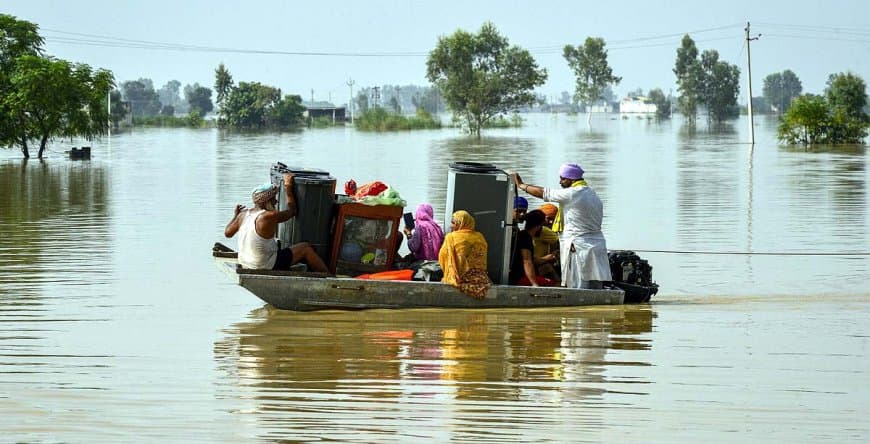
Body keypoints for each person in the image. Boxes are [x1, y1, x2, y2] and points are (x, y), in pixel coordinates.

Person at [513, 163, 612, 289]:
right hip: (596, 246)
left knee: (578, 288)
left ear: (571, 179)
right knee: (596, 288)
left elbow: (544, 193)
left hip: (579, 247)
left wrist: (522, 185)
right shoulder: (593, 195)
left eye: (562, 179)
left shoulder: (573, 193)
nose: (560, 182)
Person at [224, 173, 329, 273]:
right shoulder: (268, 216)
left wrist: (236, 215)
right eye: (274, 199)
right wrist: (288, 186)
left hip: (245, 262)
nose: (276, 202)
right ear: (267, 201)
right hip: (263, 265)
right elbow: (292, 211)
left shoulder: (243, 214)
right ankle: (327, 276)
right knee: (306, 248)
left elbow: (227, 233)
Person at [438, 210, 490, 298]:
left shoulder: (451, 237)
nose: (451, 226)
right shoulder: (480, 237)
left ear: (460, 223)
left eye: (453, 223)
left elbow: (442, 258)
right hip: (482, 280)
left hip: (460, 279)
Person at [509, 210, 557, 286]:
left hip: (519, 275)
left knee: (548, 268)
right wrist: (534, 284)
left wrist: (546, 258)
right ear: (538, 226)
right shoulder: (525, 238)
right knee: (554, 284)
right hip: (519, 277)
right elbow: (527, 261)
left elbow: (531, 259)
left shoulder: (523, 234)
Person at [531, 206, 560, 281]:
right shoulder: (543, 230)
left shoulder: (548, 231)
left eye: (553, 219)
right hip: (538, 264)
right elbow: (557, 242)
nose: (551, 222)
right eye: (548, 218)